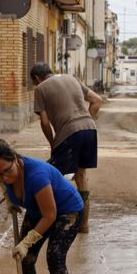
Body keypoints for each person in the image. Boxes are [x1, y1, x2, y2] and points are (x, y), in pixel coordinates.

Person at [0, 139, 85, 274]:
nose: (4, 178)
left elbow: (50, 215)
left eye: (7, 171)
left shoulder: (36, 175)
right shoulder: (3, 174)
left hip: (67, 211)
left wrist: (26, 241)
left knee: (54, 257)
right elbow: (5, 183)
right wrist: (10, 200)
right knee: (24, 257)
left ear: (16, 160)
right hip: (38, 209)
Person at [31, 63, 104, 233]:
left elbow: (44, 122)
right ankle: (84, 224)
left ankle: (52, 220)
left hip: (69, 134)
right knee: (81, 175)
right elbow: (97, 101)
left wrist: (52, 143)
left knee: (51, 176)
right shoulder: (72, 78)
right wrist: (86, 120)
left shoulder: (40, 88)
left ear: (36, 78)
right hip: (89, 130)